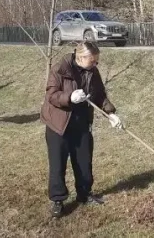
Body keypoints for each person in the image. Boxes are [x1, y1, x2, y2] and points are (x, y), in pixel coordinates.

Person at [40, 41, 123, 218]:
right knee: (58, 164)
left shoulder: (93, 71)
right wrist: (69, 97)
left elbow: (100, 95)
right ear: (80, 57)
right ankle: (58, 200)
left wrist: (111, 114)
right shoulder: (60, 69)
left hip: (81, 122)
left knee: (84, 161)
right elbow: (51, 96)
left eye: (96, 61)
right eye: (93, 61)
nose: (96, 64)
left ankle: (84, 194)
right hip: (58, 124)